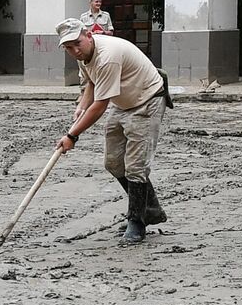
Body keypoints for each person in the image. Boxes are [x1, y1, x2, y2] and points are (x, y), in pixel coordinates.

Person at [52, 19, 170, 244]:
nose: (74, 50)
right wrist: (81, 105)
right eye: (68, 47)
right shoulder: (83, 56)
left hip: (146, 100)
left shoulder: (107, 56)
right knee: (113, 163)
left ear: (88, 35)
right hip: (122, 100)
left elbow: (100, 106)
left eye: (77, 43)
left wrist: (72, 136)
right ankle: (151, 210)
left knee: (136, 165)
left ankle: (137, 221)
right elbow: (92, 84)